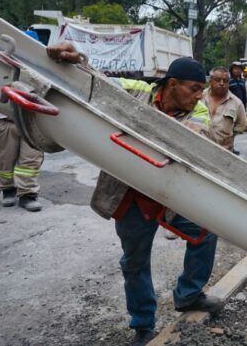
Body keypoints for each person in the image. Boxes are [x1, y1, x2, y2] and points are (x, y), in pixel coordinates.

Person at [48, 43, 221, 346]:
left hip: (171, 194)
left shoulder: (199, 110)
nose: (199, 96)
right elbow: (98, 83)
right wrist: (77, 61)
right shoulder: (138, 90)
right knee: (135, 261)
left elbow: (197, 135)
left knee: (206, 232)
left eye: (201, 90)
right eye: (194, 89)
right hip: (130, 195)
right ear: (172, 84)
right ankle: (143, 325)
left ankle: (189, 294)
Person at [0, 102, 44, 211]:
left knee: (30, 159)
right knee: (4, 161)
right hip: (2, 120)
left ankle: (28, 194)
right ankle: (8, 189)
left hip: (33, 121)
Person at [202, 67, 247, 152]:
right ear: (210, 80)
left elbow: (242, 124)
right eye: (218, 80)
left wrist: (229, 136)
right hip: (199, 147)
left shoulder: (236, 103)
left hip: (223, 151)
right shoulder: (199, 97)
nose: (222, 83)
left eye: (225, 81)